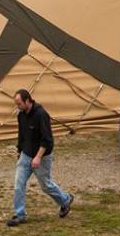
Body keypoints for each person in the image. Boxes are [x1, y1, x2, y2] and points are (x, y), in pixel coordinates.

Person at [9, 89, 74, 226]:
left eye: (19, 104)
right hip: (26, 155)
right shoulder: (21, 115)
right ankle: (20, 214)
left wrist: (38, 157)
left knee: (45, 185)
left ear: (27, 101)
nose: (18, 107)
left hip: (42, 156)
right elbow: (22, 135)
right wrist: (19, 151)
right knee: (18, 185)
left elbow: (47, 140)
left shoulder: (41, 114)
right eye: (16, 104)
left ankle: (65, 200)